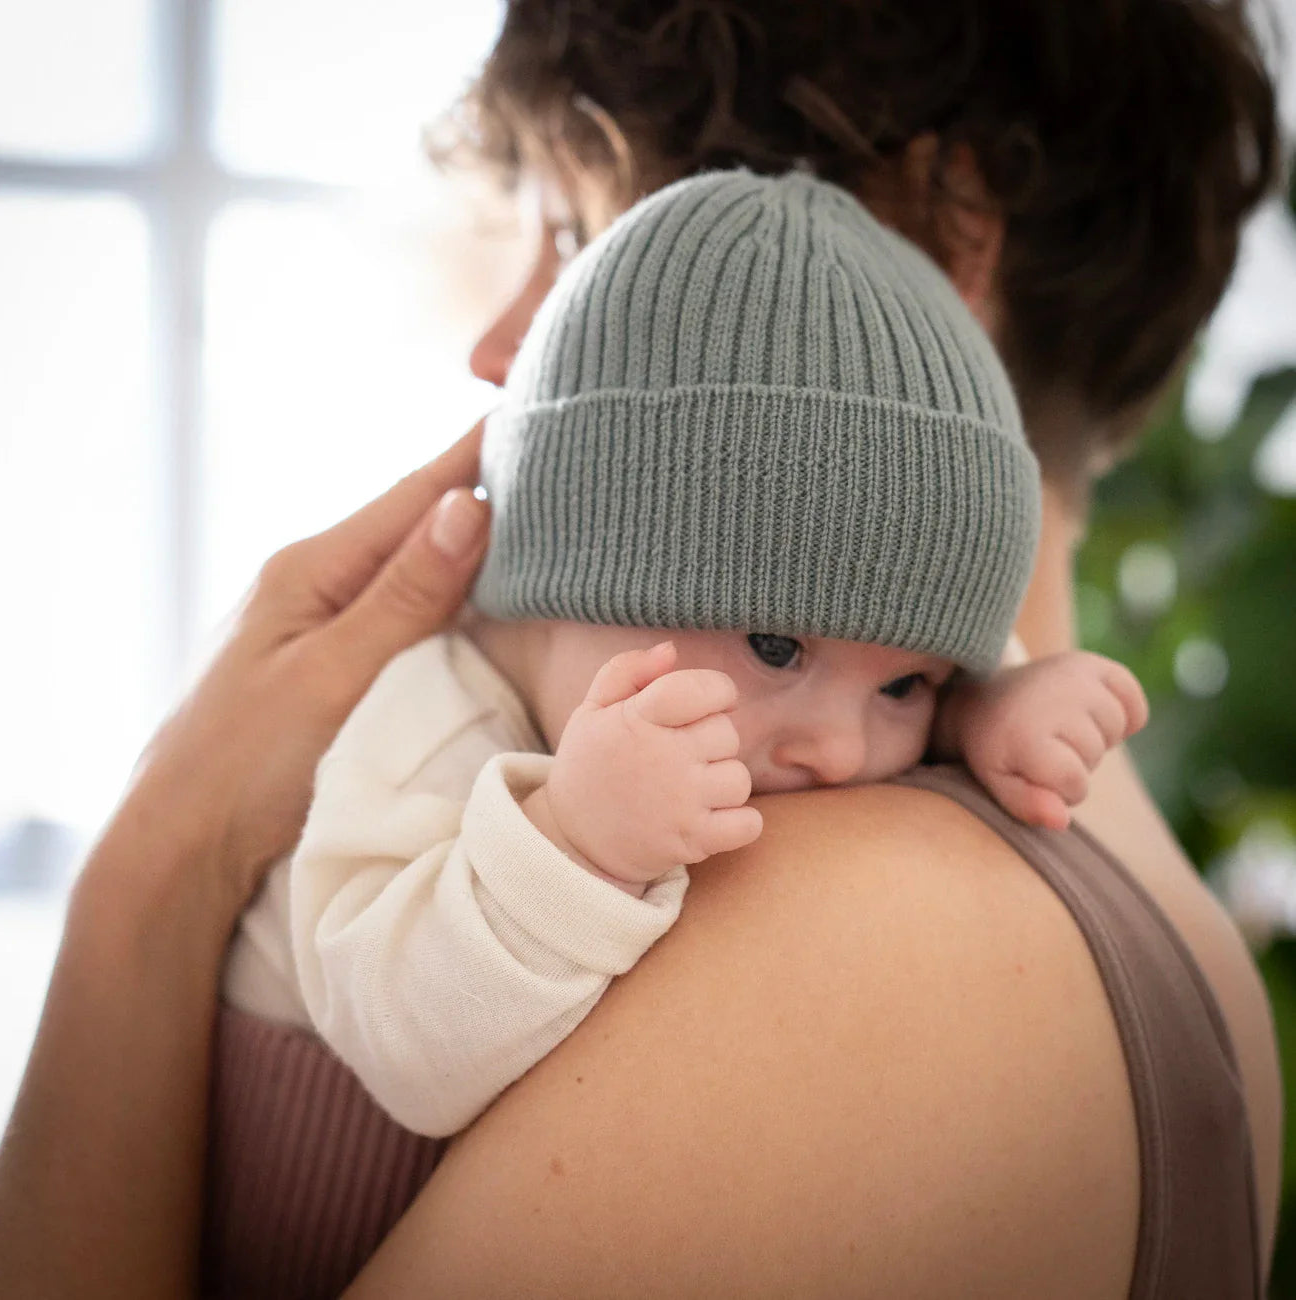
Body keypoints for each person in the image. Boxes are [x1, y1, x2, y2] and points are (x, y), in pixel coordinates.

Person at [0, 2, 1281, 1297]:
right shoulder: (1162, 916)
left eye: (580, 241)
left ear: (937, 231)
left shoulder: (844, 918)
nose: (501, 349)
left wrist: (159, 864)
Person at [217, 170, 1145, 1154]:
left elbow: (869, 646)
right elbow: (407, 1053)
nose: (835, 751)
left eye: (906, 685)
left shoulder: (811, 704)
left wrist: (981, 708)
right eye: (777, 646)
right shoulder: (427, 722)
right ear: (582, 575)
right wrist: (574, 842)